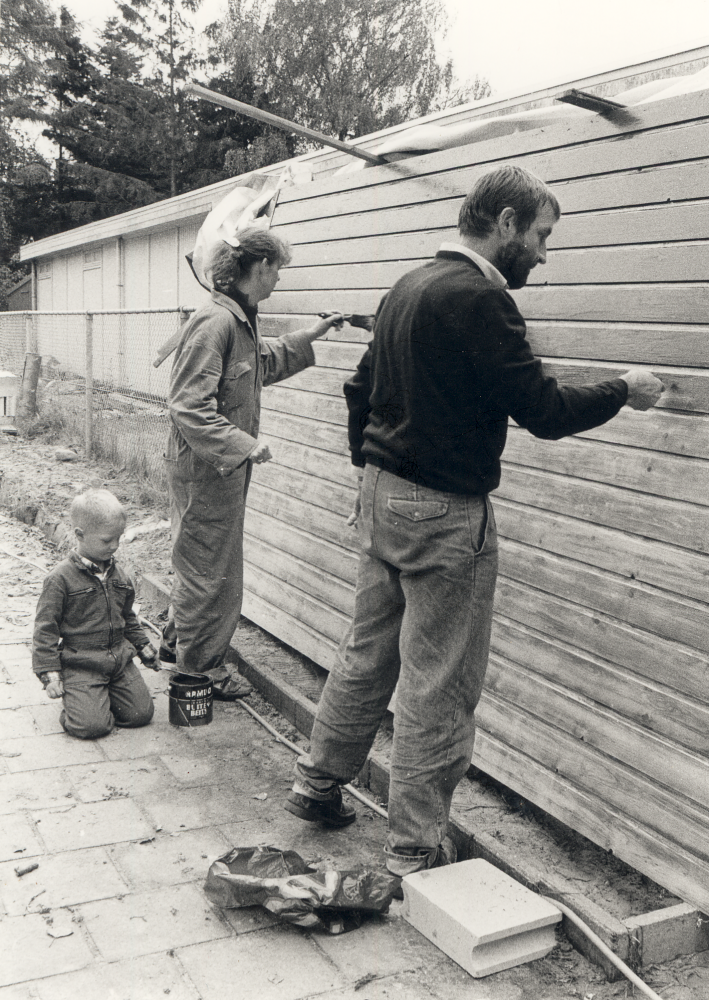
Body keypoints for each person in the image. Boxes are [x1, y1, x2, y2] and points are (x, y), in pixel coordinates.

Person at [285, 164, 664, 878]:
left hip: (382, 495)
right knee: (440, 681)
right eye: (543, 236)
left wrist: (364, 472)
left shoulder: (408, 285)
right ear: (506, 223)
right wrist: (624, 389)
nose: (544, 255)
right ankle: (412, 846)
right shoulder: (479, 301)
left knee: (366, 652)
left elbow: (358, 389)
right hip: (444, 512)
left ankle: (316, 785)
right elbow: (544, 413)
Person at [161, 227, 343, 696]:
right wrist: (243, 443)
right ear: (259, 268)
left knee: (204, 562)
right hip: (208, 468)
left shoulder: (240, 320)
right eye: (278, 268)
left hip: (217, 467)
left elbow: (261, 361)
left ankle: (176, 645)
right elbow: (187, 406)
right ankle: (199, 672)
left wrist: (312, 335)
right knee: (209, 570)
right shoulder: (216, 322)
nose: (279, 277)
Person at [32, 489, 157, 739]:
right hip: (81, 664)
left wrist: (144, 649)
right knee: (91, 727)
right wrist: (50, 675)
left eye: (119, 538)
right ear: (80, 534)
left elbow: (128, 618)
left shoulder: (120, 576)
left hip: (118, 661)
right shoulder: (59, 580)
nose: (115, 546)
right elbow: (45, 630)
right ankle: (80, 703)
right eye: (106, 540)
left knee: (141, 715)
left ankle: (99, 696)